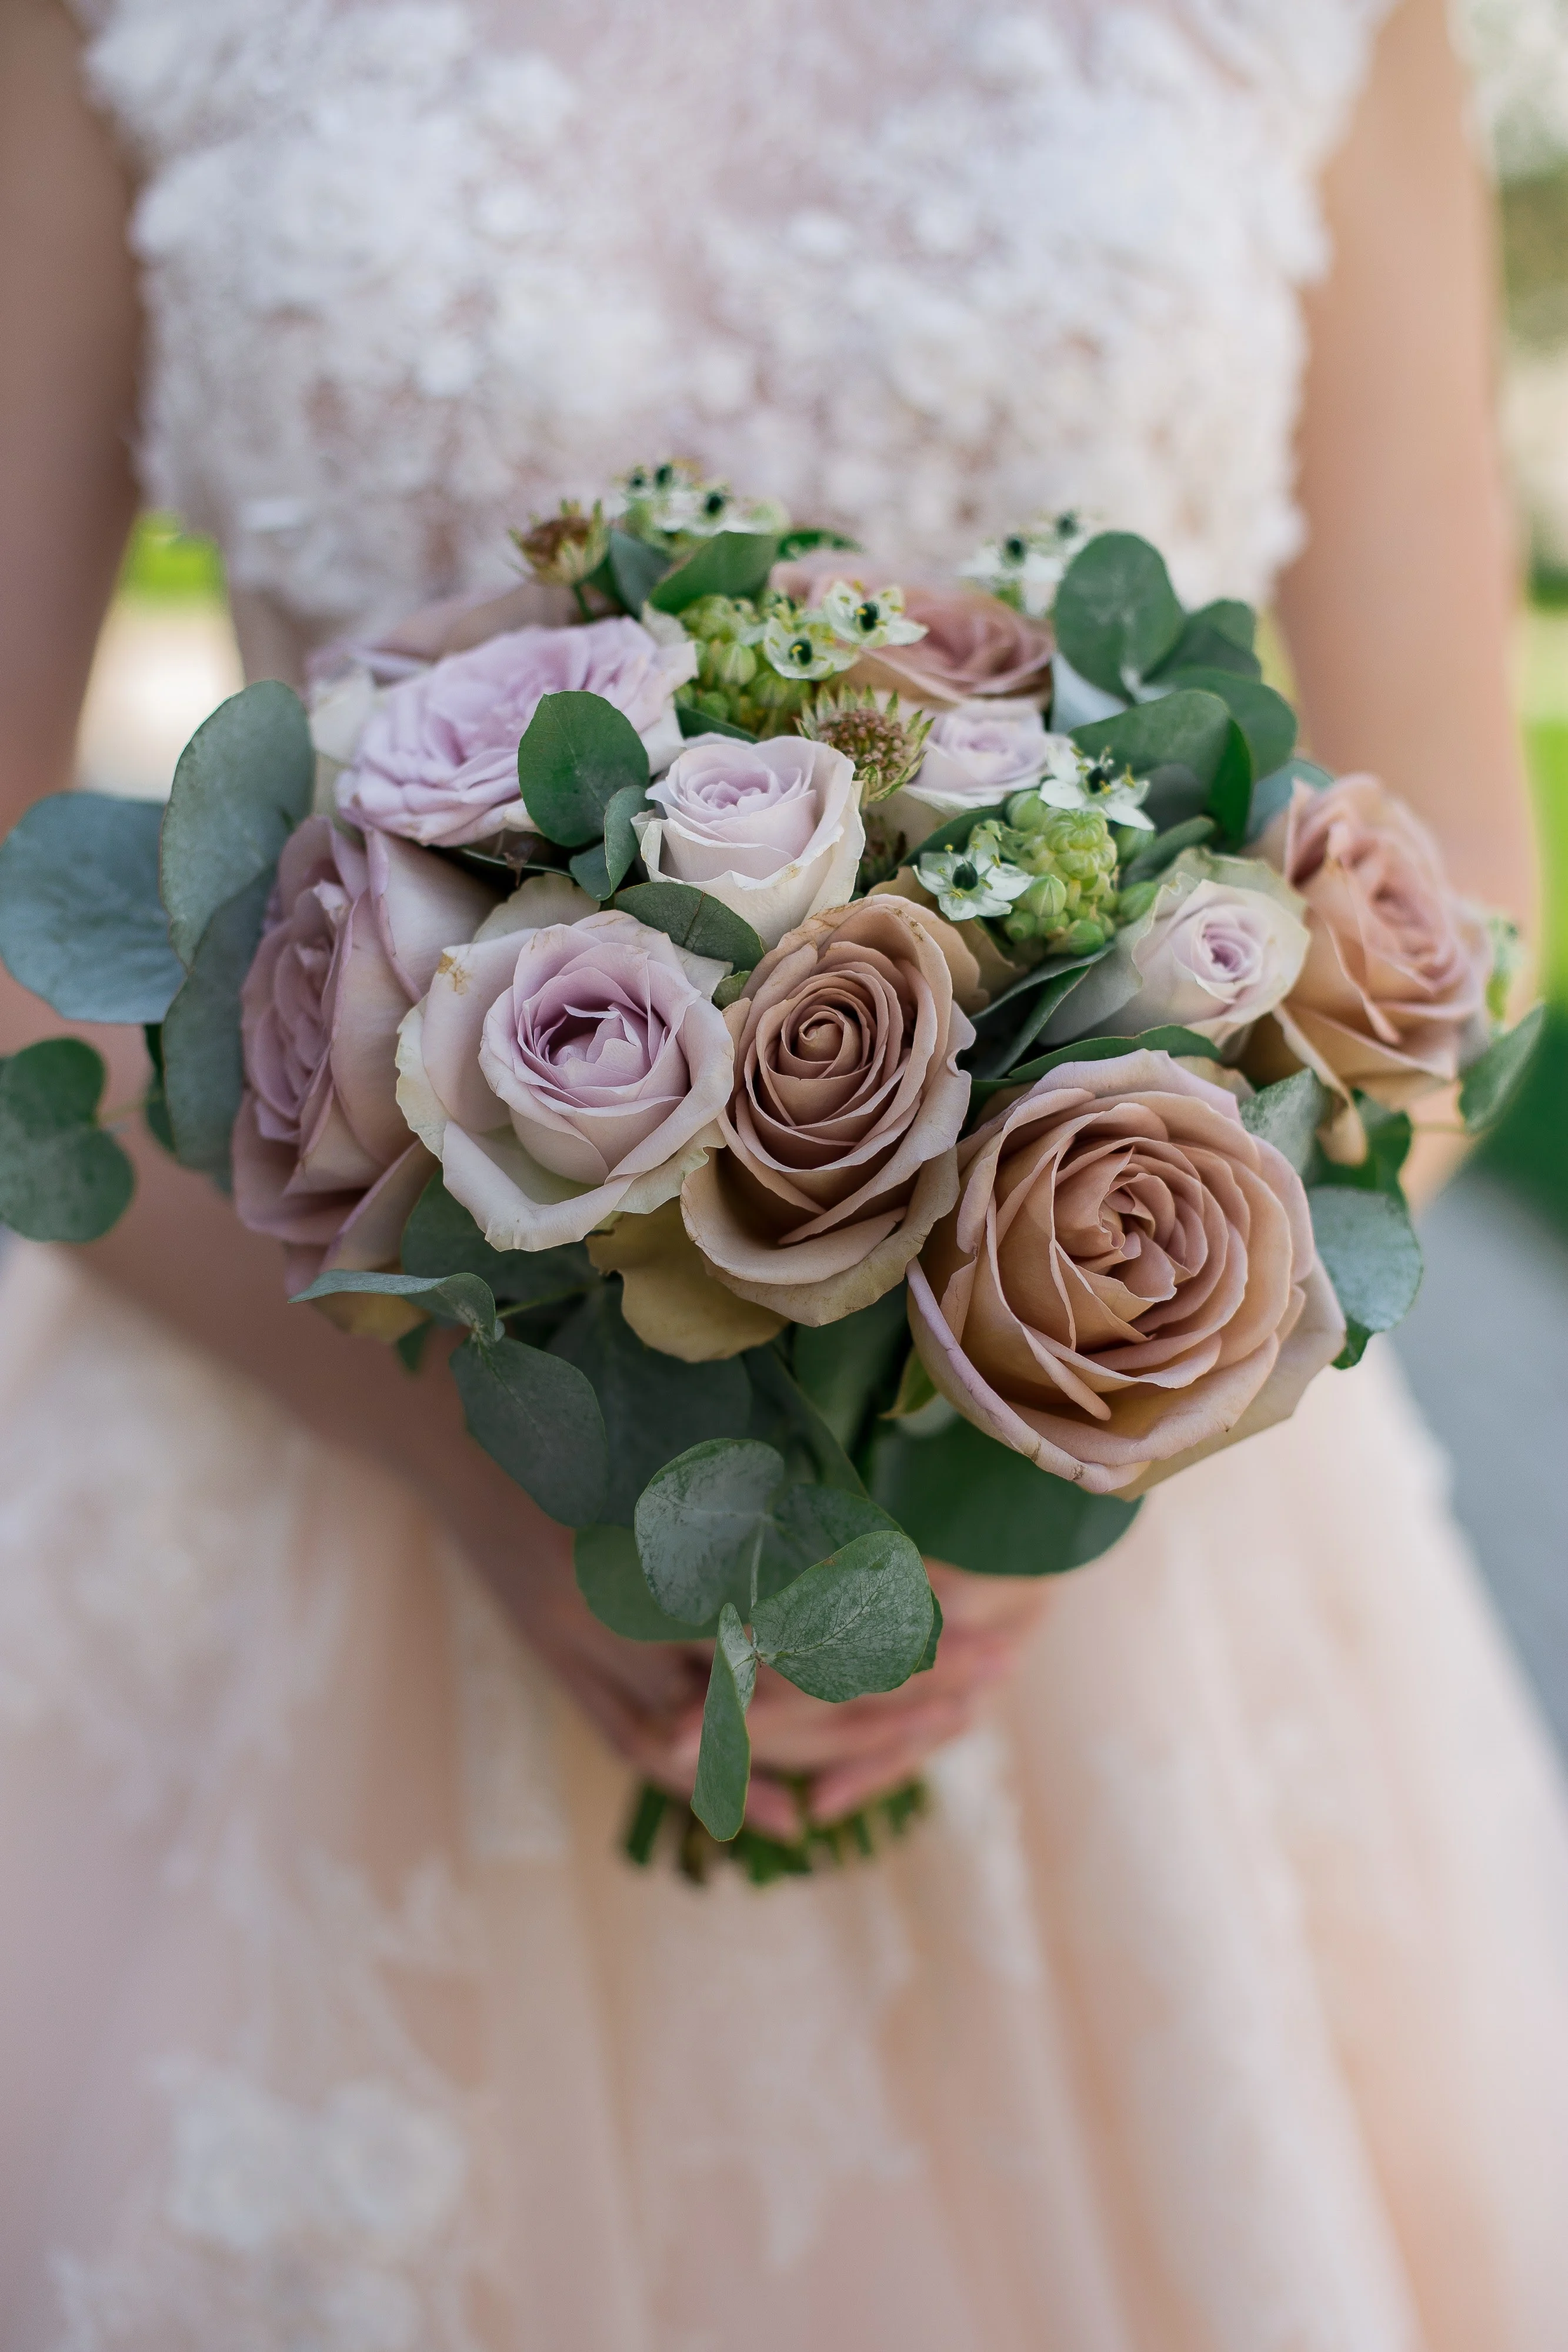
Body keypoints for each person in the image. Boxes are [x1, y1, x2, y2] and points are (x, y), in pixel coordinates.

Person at [1, 1, 1565, 2343]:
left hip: (1111, 1602)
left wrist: (1029, 1418)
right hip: (315, 1473)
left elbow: (1459, 913)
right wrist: (468, 1455)